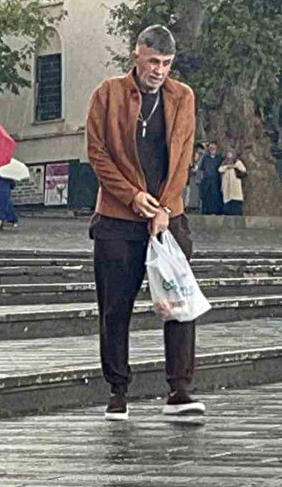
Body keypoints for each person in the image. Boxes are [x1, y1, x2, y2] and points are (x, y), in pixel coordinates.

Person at [86, 24, 206, 421]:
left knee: (179, 302)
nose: (159, 70)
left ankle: (180, 388)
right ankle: (118, 389)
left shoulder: (183, 97)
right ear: (137, 55)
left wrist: (163, 210)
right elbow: (98, 155)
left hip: (168, 217)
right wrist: (134, 197)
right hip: (118, 218)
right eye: (154, 61)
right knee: (115, 307)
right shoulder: (108, 94)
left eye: (167, 64)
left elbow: (183, 157)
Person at [217, 147, 247, 216]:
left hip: (235, 184)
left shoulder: (237, 162)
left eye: (230, 153)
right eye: (228, 153)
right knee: (228, 199)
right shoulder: (224, 162)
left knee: (235, 198)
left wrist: (234, 167)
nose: (229, 155)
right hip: (226, 184)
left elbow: (243, 170)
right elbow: (220, 169)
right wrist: (227, 167)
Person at [199, 141, 224, 215]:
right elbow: (201, 168)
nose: (212, 149)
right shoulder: (205, 158)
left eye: (213, 148)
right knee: (206, 197)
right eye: (210, 148)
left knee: (215, 196)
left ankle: (216, 211)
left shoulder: (219, 158)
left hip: (216, 180)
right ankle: (206, 211)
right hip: (206, 180)